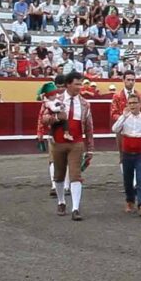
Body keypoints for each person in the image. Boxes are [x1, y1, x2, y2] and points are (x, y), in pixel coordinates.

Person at [41, 73, 91, 219]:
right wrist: (57, 118)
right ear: (68, 84)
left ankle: (75, 208)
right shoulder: (56, 100)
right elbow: (44, 119)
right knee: (59, 175)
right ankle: (61, 201)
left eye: (81, 84)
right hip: (58, 143)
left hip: (76, 142)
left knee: (76, 175)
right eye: (77, 84)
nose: (79, 87)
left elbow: (89, 128)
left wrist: (90, 149)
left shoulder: (85, 104)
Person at [112, 91, 141, 217]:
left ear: (140, 104)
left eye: (135, 103)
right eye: (130, 103)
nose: (132, 105)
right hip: (127, 153)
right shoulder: (124, 118)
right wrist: (123, 117)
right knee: (128, 179)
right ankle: (130, 201)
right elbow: (115, 129)